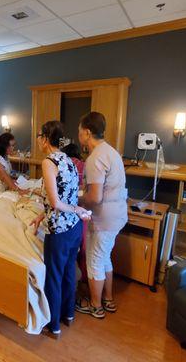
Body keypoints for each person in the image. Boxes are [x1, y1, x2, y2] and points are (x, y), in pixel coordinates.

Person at [30, 121, 90, 339]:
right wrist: (41, 215)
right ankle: (68, 315)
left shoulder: (49, 161)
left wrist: (75, 208)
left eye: (39, 135)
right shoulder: (69, 159)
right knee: (68, 273)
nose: (37, 139)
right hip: (74, 228)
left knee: (53, 277)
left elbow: (56, 202)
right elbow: (65, 195)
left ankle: (53, 325)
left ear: (45, 138)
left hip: (60, 232)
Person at [76, 112, 128, 319]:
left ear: (87, 133)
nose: (79, 137)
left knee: (95, 261)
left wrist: (76, 202)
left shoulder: (95, 157)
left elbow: (95, 198)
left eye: (80, 133)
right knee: (105, 258)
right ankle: (108, 299)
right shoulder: (112, 152)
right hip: (117, 216)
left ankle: (95, 306)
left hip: (104, 218)